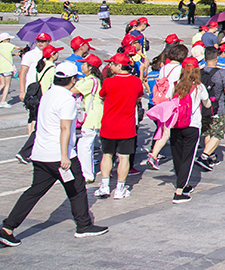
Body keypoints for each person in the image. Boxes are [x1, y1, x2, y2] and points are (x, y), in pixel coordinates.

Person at [0, 61, 108, 246]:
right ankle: (83, 226)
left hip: (41, 154)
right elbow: (64, 128)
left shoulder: (48, 94)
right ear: (72, 80)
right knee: (77, 189)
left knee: (34, 192)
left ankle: (8, 227)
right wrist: (64, 156)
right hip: (59, 156)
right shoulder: (67, 99)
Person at [96, 53, 144, 199]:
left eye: (112, 64)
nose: (110, 66)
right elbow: (139, 96)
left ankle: (105, 186)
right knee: (124, 158)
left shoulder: (108, 82)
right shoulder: (136, 82)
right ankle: (120, 188)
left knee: (107, 155)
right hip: (127, 126)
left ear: (119, 66)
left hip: (109, 124)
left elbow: (101, 95)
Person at [167, 58, 212, 203]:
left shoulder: (175, 85)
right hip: (192, 125)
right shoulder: (199, 87)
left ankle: (183, 183)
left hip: (176, 125)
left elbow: (168, 100)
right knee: (188, 158)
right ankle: (179, 191)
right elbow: (207, 104)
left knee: (178, 157)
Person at [197, 47, 225, 170]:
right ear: (217, 58)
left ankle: (210, 156)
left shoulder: (200, 72)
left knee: (207, 132)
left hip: (204, 107)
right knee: (217, 133)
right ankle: (204, 156)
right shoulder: (221, 73)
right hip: (218, 108)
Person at [75, 54, 105, 184]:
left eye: (84, 64)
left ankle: (87, 174)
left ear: (90, 67)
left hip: (91, 117)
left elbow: (73, 90)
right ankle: (87, 172)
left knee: (84, 147)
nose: (81, 66)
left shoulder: (91, 81)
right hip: (90, 116)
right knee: (86, 146)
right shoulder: (88, 79)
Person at [0, 32, 17, 105]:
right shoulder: (8, 45)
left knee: (2, 84)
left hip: (1, 68)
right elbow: (18, 47)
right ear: (4, 40)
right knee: (7, 85)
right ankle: (3, 101)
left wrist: (15, 54)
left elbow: (6, 55)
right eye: (8, 39)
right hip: (7, 68)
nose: (9, 40)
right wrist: (23, 49)